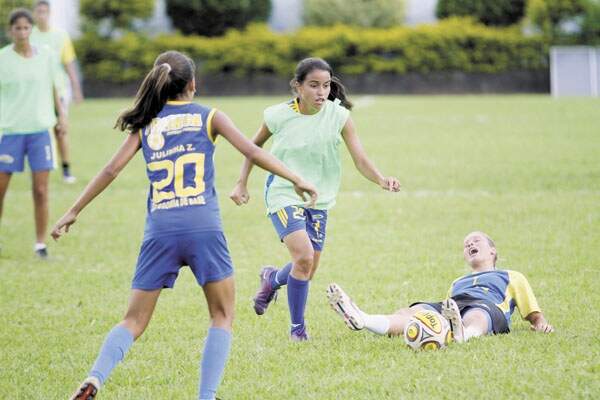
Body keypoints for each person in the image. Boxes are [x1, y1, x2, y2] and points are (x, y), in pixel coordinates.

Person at [51, 51, 318, 400]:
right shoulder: (210, 116)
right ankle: (206, 396)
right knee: (222, 316)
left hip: (160, 230)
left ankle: (96, 376)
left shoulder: (147, 122)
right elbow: (253, 152)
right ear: (193, 84)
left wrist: (73, 210)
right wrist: (295, 178)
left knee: (132, 321)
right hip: (203, 228)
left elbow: (110, 170)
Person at [229, 57, 401, 341]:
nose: (321, 92)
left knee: (306, 269)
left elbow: (360, 158)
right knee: (304, 257)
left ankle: (272, 280)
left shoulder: (339, 116)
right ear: (297, 87)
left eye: (326, 85)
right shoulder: (277, 115)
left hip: (319, 200)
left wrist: (381, 179)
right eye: (313, 85)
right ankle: (298, 329)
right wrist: (241, 183)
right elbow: (252, 148)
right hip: (283, 194)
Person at [327, 231, 554, 343]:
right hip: (454, 304)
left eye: (476, 241)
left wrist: (541, 324)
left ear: (493, 251)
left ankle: (463, 334)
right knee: (413, 314)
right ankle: (363, 319)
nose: (470, 244)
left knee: (477, 314)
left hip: (488, 305)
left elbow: (534, 315)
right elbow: (448, 311)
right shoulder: (458, 282)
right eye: (467, 245)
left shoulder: (511, 276)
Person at [0, 8, 66, 259]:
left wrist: (62, 118)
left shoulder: (46, 56)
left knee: (40, 191)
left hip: (40, 131)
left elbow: (54, 88)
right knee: (1, 190)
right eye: (17, 28)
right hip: (10, 132)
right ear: (11, 31)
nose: (22, 32)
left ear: (31, 30)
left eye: (26, 28)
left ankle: (40, 243)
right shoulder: (2, 58)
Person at [32, 0, 84, 183]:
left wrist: (76, 89)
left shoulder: (61, 36)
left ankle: (66, 169)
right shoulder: (29, 35)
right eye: (39, 12)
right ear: (34, 14)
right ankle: (40, 168)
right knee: (38, 130)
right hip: (36, 92)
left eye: (45, 12)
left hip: (59, 90)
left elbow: (69, 64)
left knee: (60, 129)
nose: (42, 15)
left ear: (50, 13)